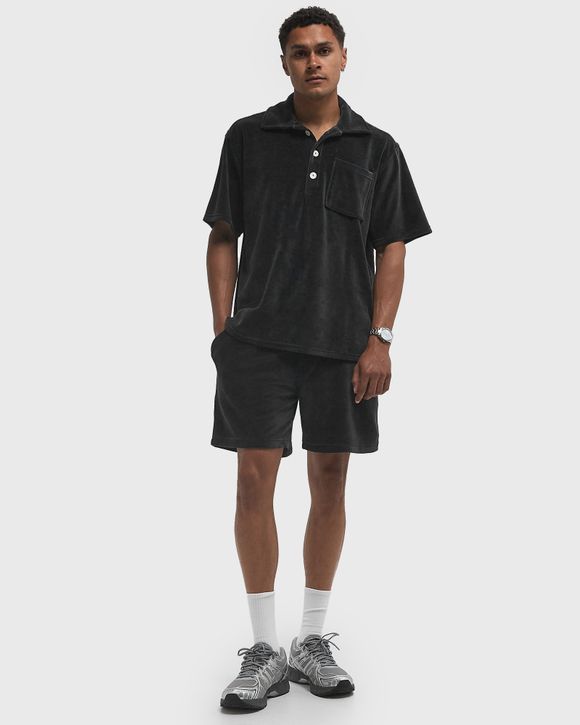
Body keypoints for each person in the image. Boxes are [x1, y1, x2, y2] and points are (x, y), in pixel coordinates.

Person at [203, 6, 432, 711]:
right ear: (283, 62)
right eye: (299, 51)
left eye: (323, 49)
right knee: (253, 482)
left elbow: (392, 246)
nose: (312, 61)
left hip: (342, 347)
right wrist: (223, 331)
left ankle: (310, 638)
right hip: (258, 345)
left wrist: (380, 337)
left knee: (330, 484)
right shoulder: (247, 137)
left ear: (343, 57)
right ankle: (264, 650)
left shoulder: (377, 147)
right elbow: (223, 235)